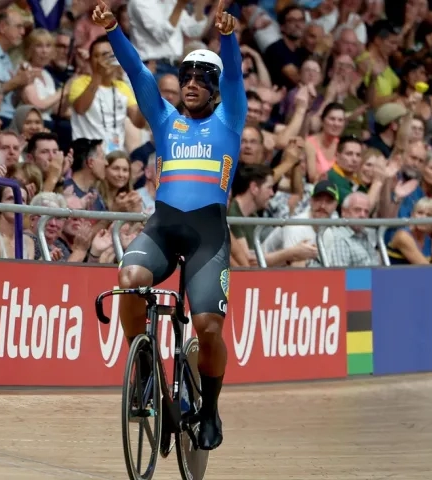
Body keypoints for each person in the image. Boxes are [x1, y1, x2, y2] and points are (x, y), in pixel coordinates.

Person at [92, 0, 246, 452]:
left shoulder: (230, 119)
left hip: (208, 236)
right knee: (128, 280)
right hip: (163, 226)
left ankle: (212, 408)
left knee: (209, 328)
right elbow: (139, 73)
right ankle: (143, 371)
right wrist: (114, 30)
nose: (193, 84)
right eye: (187, 77)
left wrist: (229, 37)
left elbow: (235, 76)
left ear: (216, 91)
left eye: (204, 79)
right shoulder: (165, 119)